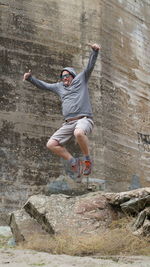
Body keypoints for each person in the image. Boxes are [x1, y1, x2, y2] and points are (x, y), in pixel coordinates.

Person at [23, 43, 100, 180]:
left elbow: (90, 66)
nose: (64, 78)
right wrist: (30, 79)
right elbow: (44, 86)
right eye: (62, 76)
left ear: (72, 76)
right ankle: (73, 162)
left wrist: (95, 51)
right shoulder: (59, 87)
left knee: (78, 133)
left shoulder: (81, 80)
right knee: (51, 144)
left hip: (84, 119)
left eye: (66, 75)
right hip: (68, 123)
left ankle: (87, 160)